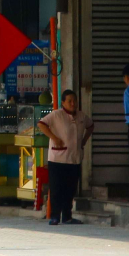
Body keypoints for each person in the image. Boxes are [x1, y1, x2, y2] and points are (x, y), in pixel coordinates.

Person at [39, 89, 92, 225]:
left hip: (74, 159)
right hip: (58, 159)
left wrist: (84, 140)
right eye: (69, 101)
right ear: (63, 102)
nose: (73, 103)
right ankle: (55, 216)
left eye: (74, 101)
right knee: (57, 188)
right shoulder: (56, 115)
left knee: (70, 188)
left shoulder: (81, 116)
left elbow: (91, 126)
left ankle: (67, 216)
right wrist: (54, 138)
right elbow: (41, 124)